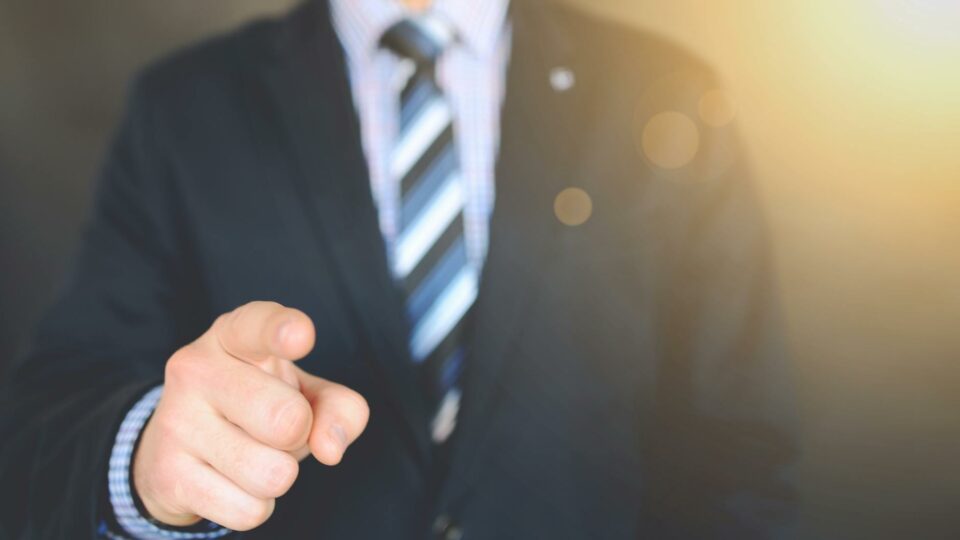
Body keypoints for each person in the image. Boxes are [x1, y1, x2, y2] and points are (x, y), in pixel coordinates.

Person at [0, 0, 798, 538]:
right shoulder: (185, 108)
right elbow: (52, 412)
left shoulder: (666, 91)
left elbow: (743, 446)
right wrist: (149, 456)